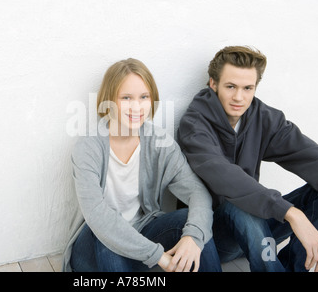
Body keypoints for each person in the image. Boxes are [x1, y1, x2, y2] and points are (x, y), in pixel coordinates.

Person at [178, 45, 318, 272]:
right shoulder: (194, 124)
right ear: (213, 84)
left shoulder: (263, 118)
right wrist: (292, 214)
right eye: (230, 86)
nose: (239, 97)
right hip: (214, 236)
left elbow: (315, 157)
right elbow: (228, 178)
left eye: (247, 88)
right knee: (240, 205)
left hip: (258, 231)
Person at [62, 58, 221, 272]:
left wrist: (194, 237)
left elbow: (197, 191)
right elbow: (98, 216)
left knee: (191, 223)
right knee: (107, 238)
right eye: (126, 97)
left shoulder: (158, 142)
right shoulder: (89, 147)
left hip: (142, 233)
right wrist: (160, 258)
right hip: (92, 250)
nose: (137, 107)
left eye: (144, 97)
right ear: (109, 100)